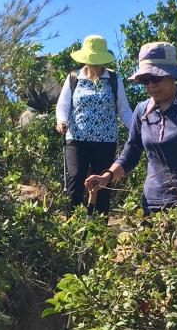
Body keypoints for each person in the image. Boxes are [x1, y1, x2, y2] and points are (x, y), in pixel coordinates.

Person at [85, 40, 177, 214]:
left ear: (172, 76)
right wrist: (107, 177)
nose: (150, 85)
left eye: (156, 78)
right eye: (145, 80)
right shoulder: (142, 111)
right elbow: (132, 151)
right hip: (151, 204)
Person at [55, 34, 133, 214]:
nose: (95, 64)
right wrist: (62, 121)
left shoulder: (114, 79)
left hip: (105, 141)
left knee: (102, 185)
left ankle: (100, 232)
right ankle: (71, 229)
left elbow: (124, 110)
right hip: (76, 139)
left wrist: (137, 130)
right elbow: (64, 104)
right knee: (75, 179)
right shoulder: (74, 77)